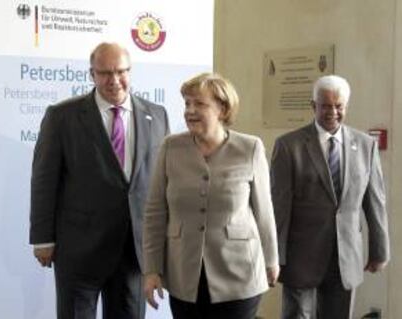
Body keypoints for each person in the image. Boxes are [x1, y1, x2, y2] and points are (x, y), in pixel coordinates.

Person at [29, 42, 169, 319]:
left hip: (133, 251)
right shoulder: (62, 117)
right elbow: (44, 181)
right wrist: (43, 239)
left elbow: (162, 183)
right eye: (104, 73)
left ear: (130, 71)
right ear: (91, 74)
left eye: (120, 71)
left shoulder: (157, 115)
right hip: (79, 250)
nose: (114, 80)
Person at [142, 72, 279, 319]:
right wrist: (151, 269)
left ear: (223, 109)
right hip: (184, 273)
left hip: (239, 273)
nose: (190, 110)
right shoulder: (171, 147)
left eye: (199, 104)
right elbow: (155, 212)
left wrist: (271, 260)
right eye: (187, 103)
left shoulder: (250, 148)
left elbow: (264, 211)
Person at [270, 75, 390, 319]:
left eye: (339, 106)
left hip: (345, 258)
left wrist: (380, 251)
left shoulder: (365, 145)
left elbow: (375, 202)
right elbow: (278, 208)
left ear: (346, 106)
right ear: (313, 106)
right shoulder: (288, 146)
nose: (332, 112)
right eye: (325, 105)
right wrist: (273, 257)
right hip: (300, 257)